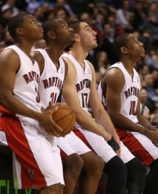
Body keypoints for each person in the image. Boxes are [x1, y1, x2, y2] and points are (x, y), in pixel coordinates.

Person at [61, 20, 147, 194]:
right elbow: (76, 111)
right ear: (76, 36)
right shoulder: (66, 62)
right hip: (71, 125)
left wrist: (114, 137)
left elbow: (98, 109)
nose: (94, 32)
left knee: (131, 168)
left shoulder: (90, 67)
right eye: (88, 29)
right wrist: (107, 135)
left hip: (88, 125)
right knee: (114, 168)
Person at [0, 13, 65, 193]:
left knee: (58, 187)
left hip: (34, 124)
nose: (40, 24)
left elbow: (29, 98)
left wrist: (48, 112)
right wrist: (39, 116)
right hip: (16, 124)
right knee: (51, 186)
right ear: (20, 31)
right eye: (33, 22)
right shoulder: (9, 55)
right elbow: (5, 98)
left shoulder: (32, 61)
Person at [32, 18, 104, 194]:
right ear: (52, 35)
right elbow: (26, 96)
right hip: (35, 123)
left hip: (51, 124)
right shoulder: (38, 58)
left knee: (87, 163)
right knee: (73, 163)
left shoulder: (62, 64)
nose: (71, 31)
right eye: (65, 27)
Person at [98, 33, 158, 194]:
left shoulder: (136, 75)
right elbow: (114, 115)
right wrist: (146, 131)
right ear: (124, 50)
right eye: (135, 41)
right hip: (117, 129)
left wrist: (154, 131)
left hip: (133, 127)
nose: (141, 44)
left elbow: (137, 114)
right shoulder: (116, 74)